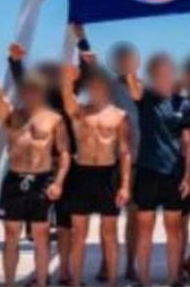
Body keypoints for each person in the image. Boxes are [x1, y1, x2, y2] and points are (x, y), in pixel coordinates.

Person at [122, 53, 190, 287]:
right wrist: (131, 67)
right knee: (145, 228)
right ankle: (143, 281)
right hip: (147, 172)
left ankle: (174, 279)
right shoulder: (147, 98)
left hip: (174, 174)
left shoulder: (183, 104)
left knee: (174, 229)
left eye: (168, 71)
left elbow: (188, 141)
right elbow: (133, 87)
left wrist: (188, 175)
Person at [59, 57, 132, 287]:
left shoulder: (119, 116)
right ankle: (77, 281)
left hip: (108, 176)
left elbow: (125, 152)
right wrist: (67, 80)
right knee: (78, 232)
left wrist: (125, 185)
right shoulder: (80, 111)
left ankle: (112, 281)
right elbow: (67, 100)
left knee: (109, 233)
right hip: (82, 175)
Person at [0, 66, 70, 287]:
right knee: (11, 234)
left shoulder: (54, 119)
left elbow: (64, 153)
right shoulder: (13, 116)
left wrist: (58, 183)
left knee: (41, 235)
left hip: (41, 180)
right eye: (27, 89)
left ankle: (42, 281)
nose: (31, 93)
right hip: (15, 179)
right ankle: (9, 283)